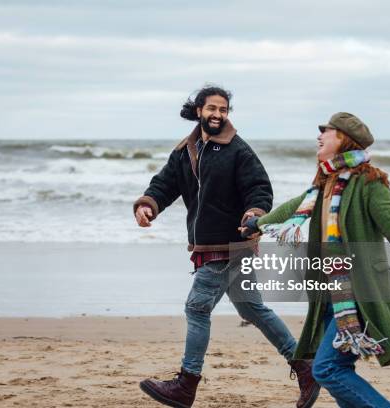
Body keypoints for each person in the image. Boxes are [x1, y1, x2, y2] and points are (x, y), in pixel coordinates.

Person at [241, 112, 390, 407]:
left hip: (357, 291)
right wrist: (258, 224)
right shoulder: (324, 183)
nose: (319, 136)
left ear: (343, 138)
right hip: (330, 292)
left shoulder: (369, 183)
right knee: (340, 368)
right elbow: (293, 206)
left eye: (325, 131)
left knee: (326, 369)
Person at [134, 85, 319, 408]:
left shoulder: (238, 151)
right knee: (251, 308)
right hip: (210, 242)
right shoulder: (185, 150)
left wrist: (254, 214)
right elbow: (165, 184)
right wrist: (148, 205)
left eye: (223, 110)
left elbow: (259, 189)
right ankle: (304, 367)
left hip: (229, 243)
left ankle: (186, 383)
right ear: (198, 111)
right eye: (212, 109)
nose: (218, 115)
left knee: (196, 308)